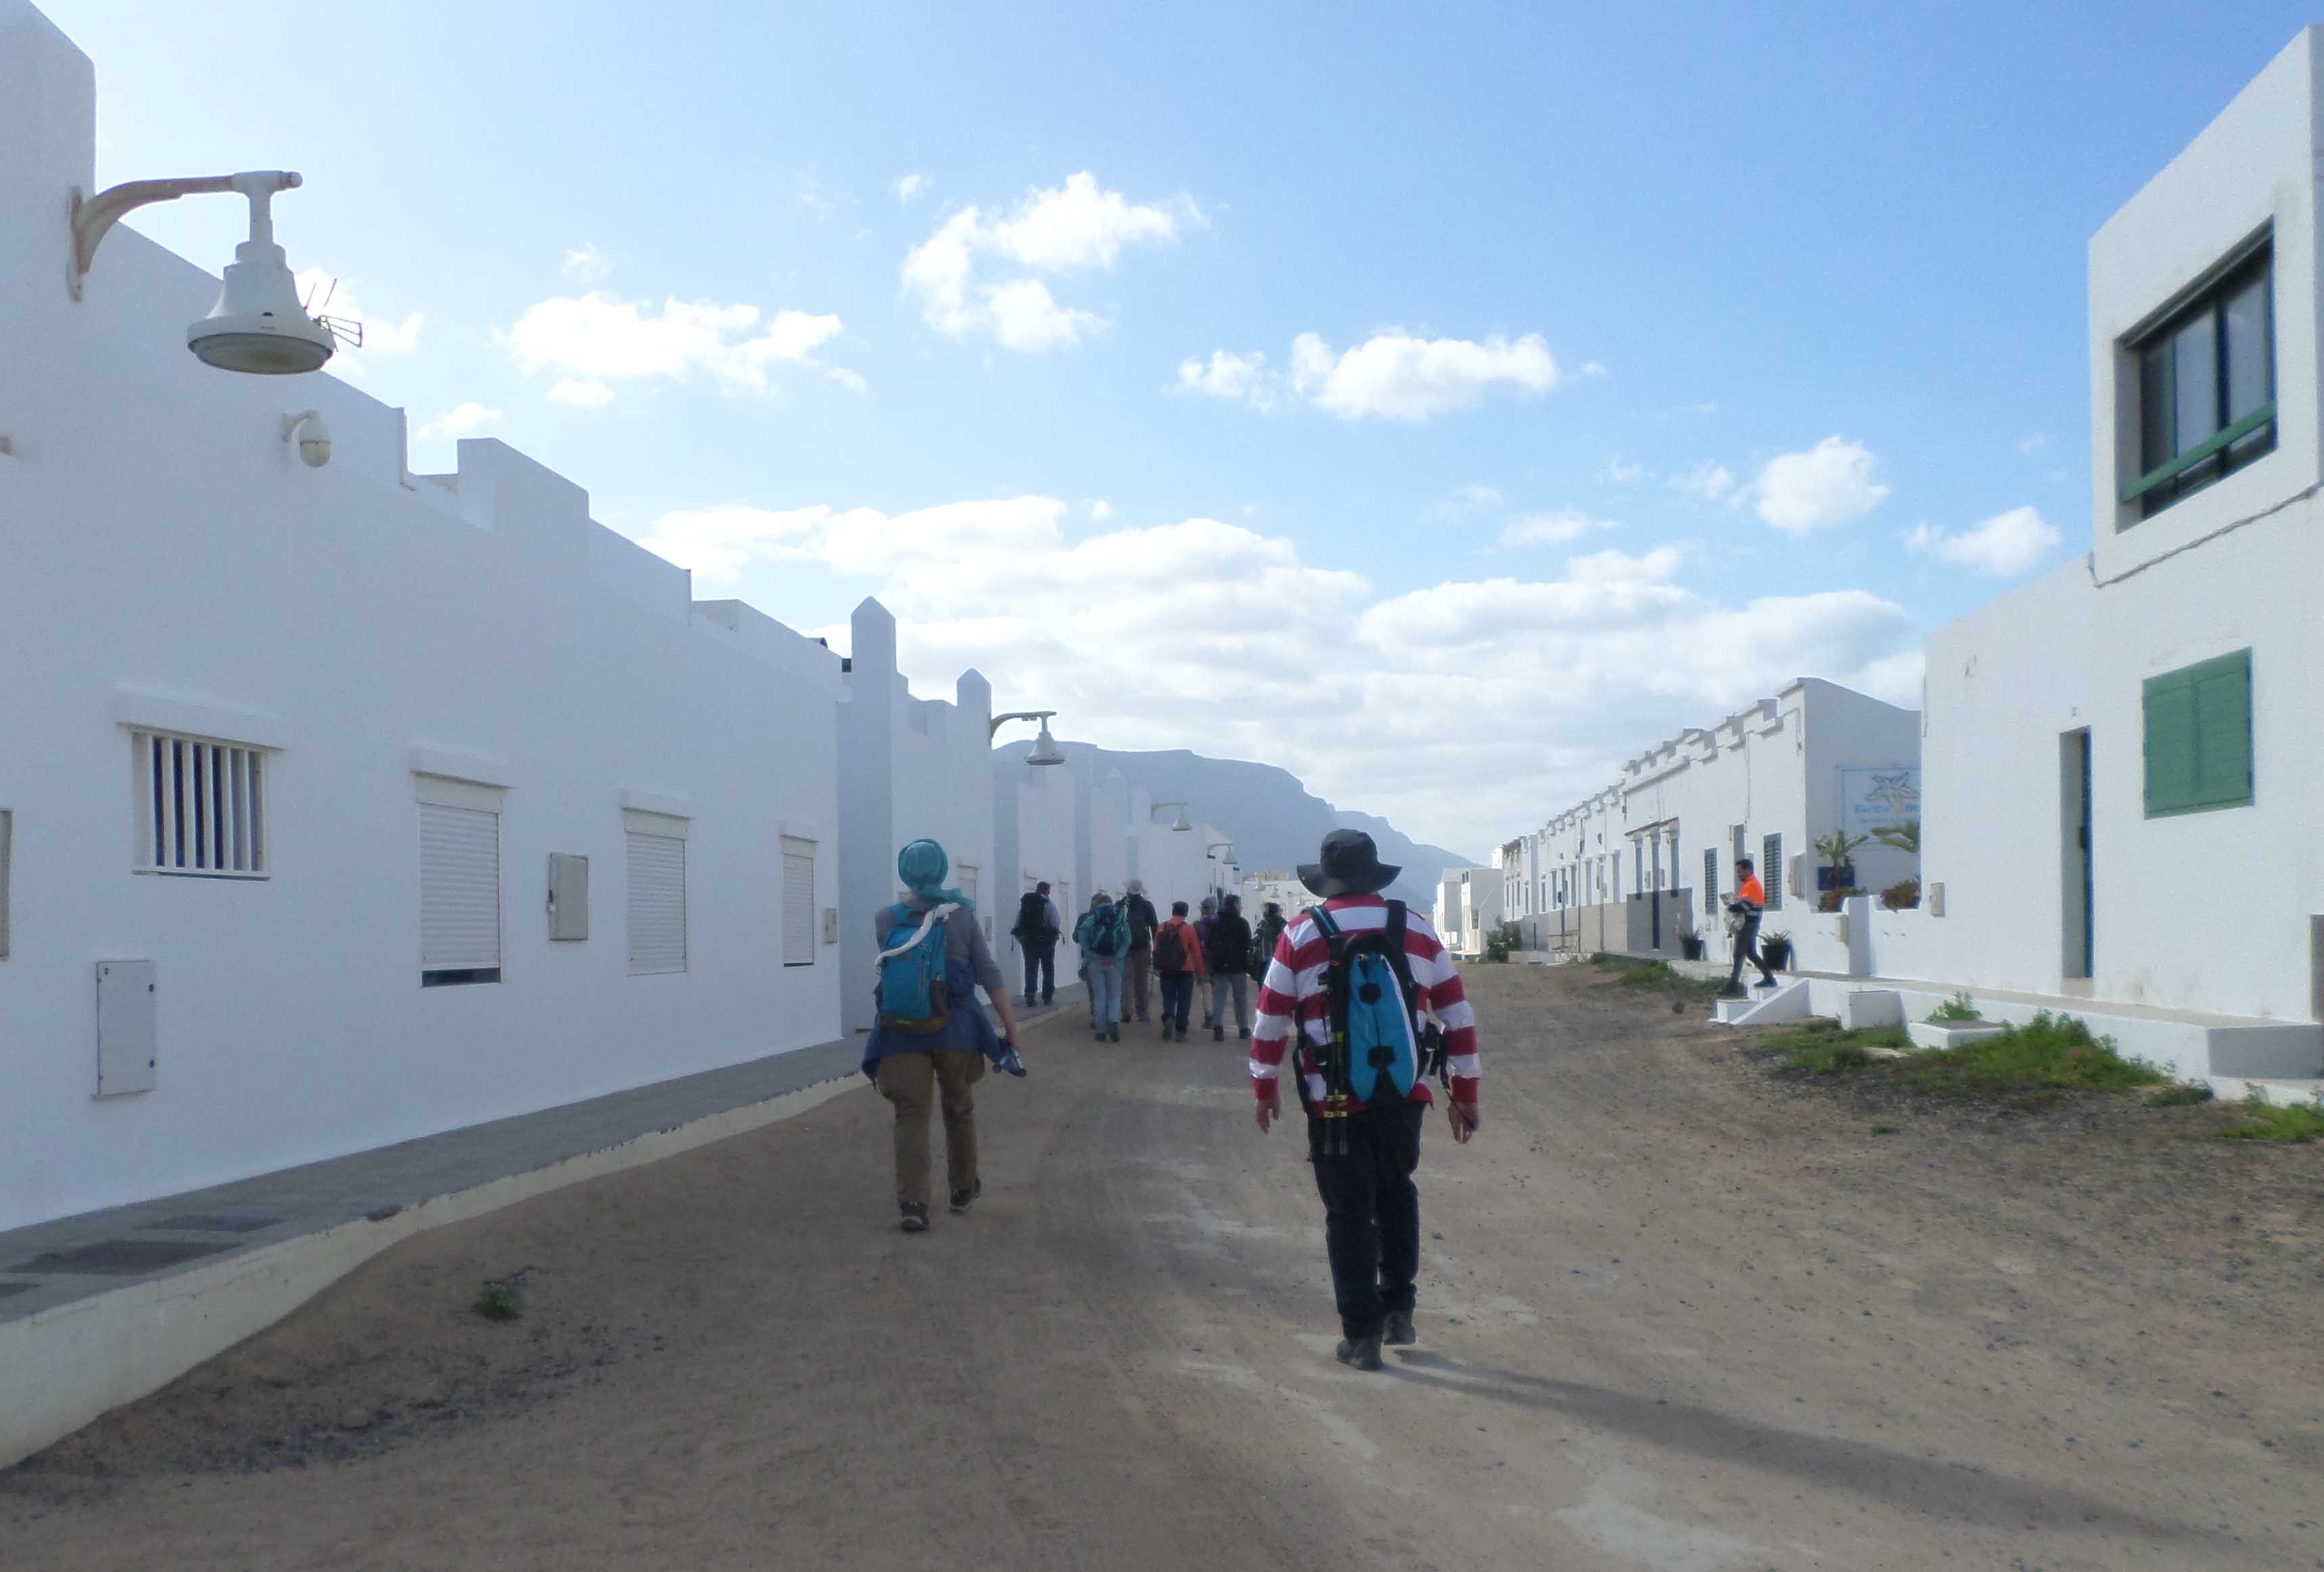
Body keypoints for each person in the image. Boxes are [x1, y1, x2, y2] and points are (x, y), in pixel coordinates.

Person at [1252, 829, 1480, 1372]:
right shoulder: (1416, 929)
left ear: (1327, 880)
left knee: (1348, 1213)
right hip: (1403, 1095)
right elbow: (1457, 1016)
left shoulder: (1301, 933)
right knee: (1397, 1192)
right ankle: (1399, 1310)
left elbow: (1270, 1020)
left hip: (1333, 1102)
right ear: (1374, 875)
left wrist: (1265, 1087)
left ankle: (1362, 1337)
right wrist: (1465, 1094)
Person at [862, 839, 1026, 1234]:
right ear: (941, 871)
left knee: (910, 1115)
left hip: (901, 1033)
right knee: (958, 1107)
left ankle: (913, 1204)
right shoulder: (962, 916)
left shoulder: (885, 920)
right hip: (958, 1031)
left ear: (905, 873)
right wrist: (1010, 1025)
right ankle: (963, 1188)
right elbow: (988, 973)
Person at [1073, 890, 1131, 1043]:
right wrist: (1118, 956)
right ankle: (1113, 1020)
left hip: (1095, 962)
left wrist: (1090, 953)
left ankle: (1101, 1030)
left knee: (1099, 996)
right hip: (1115, 964)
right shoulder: (1119, 917)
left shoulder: (1092, 918)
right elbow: (1127, 940)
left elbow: (1081, 934)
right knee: (1115, 995)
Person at [1721, 856, 1779, 996]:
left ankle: (1733, 985)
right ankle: (1769, 978)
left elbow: (1744, 907)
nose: (1738, 875)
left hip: (1748, 924)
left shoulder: (1751, 886)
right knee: (1750, 953)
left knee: (1739, 953)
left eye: (1740, 872)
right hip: (1751, 923)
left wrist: (1731, 906)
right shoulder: (1750, 885)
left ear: (1748, 870)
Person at [1153, 898, 1207, 1041]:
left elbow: (1157, 949)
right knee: (1184, 1000)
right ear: (1186, 913)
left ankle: (1169, 1016)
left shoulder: (1162, 927)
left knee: (1168, 997)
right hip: (1186, 970)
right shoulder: (1189, 929)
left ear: (1173, 912)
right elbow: (1196, 952)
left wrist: (1157, 966)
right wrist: (1200, 972)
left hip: (1166, 969)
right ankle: (1181, 1030)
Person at [1204, 892, 1255, 1042]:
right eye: (1240, 904)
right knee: (1240, 998)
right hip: (1238, 965)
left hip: (1220, 965)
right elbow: (1248, 943)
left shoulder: (1216, 922)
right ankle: (1243, 1028)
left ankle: (1218, 1027)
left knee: (1219, 997)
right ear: (1235, 905)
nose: (1241, 907)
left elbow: (1209, 943)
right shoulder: (1242, 923)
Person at [1010, 881, 1061, 1008]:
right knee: (1048, 968)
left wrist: (1023, 940)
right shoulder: (1049, 905)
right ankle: (1047, 997)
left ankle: (1030, 996)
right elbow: (1055, 924)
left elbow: (1018, 924)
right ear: (1047, 891)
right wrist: (1052, 940)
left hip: (1028, 942)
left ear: (1037, 889)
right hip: (1046, 943)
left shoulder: (1026, 904)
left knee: (1031, 968)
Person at [1121, 880, 1159, 1023]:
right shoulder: (1147, 905)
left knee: (1126, 979)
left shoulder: (1122, 905)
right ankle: (1142, 1013)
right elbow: (1155, 927)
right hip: (1143, 947)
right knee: (1142, 980)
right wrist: (1156, 947)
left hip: (1125, 948)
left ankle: (1126, 1010)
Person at [1249, 900, 1287, 989]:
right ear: (1276, 912)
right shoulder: (1280, 923)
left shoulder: (1264, 923)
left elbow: (1256, 939)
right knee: (1269, 981)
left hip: (1264, 956)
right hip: (1274, 956)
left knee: (1264, 980)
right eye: (1280, 910)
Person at [1196, 896, 1219, 1029]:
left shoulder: (1197, 925)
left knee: (1205, 988)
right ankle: (1217, 1015)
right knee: (1216, 988)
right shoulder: (1220, 923)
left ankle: (1209, 1015)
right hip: (1217, 959)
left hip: (1202, 959)